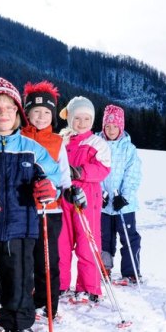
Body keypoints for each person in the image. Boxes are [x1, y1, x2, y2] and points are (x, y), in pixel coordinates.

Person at [0, 77, 62, 332]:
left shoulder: (32, 148)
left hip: (21, 228)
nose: (2, 112)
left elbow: (54, 177)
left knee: (19, 283)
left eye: (9, 107)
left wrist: (48, 188)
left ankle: (17, 329)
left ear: (18, 115)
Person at [20, 80, 71, 319]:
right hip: (20, 209)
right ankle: (19, 301)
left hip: (48, 211)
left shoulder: (58, 142)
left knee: (47, 261)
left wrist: (59, 191)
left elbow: (64, 176)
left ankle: (48, 304)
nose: (40, 117)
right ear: (27, 112)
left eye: (46, 113)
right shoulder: (17, 136)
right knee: (20, 260)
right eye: (35, 112)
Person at [57, 96, 111, 303]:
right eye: (77, 118)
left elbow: (103, 168)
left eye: (86, 119)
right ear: (69, 119)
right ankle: (60, 283)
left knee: (87, 242)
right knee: (61, 243)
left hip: (86, 198)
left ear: (92, 120)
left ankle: (88, 286)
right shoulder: (62, 141)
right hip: (63, 198)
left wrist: (80, 171)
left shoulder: (97, 143)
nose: (81, 123)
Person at [98, 105, 143, 285]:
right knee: (104, 238)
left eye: (114, 127)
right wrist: (100, 193)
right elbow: (96, 171)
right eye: (107, 127)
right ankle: (105, 267)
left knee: (129, 237)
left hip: (125, 205)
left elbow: (133, 174)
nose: (111, 130)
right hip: (103, 205)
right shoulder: (97, 144)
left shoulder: (128, 149)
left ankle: (131, 271)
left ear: (121, 127)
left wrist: (124, 197)